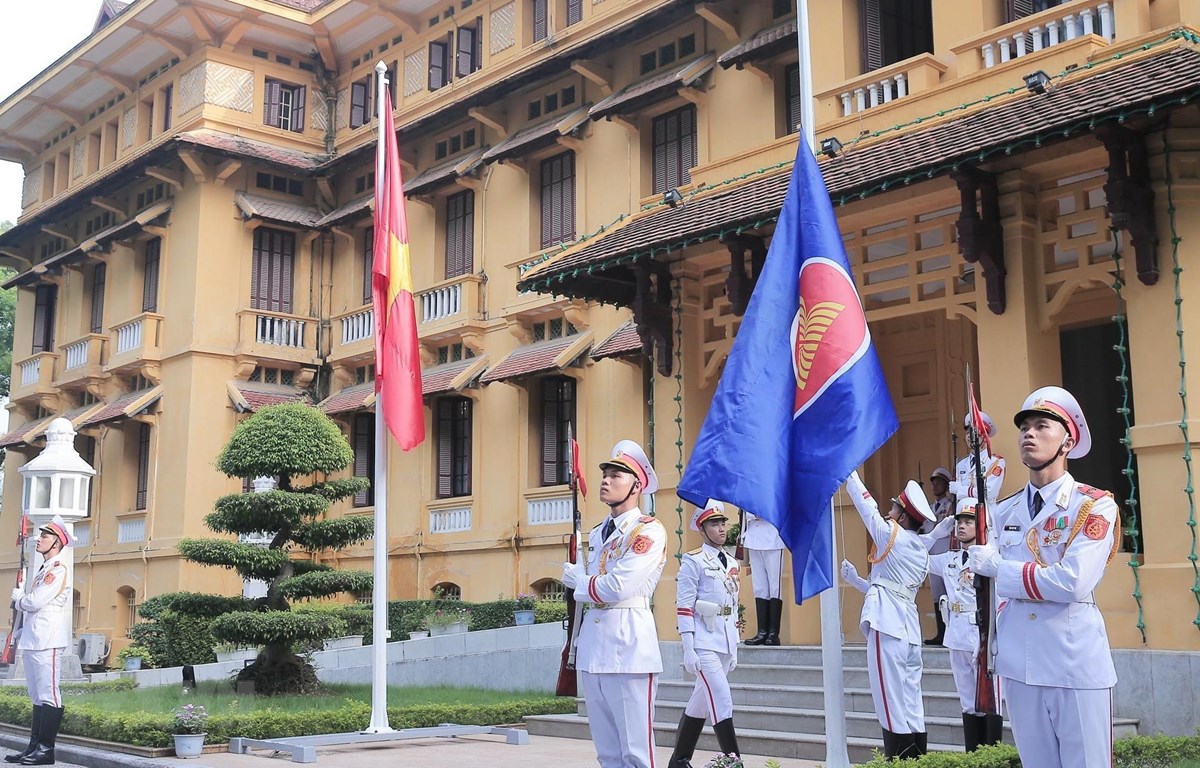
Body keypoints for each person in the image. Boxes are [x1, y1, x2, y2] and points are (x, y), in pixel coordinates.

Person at [967, 386, 1120, 768]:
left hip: (1073, 661)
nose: (1028, 434)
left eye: (1041, 426)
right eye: (1024, 428)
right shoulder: (1002, 512)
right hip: (1020, 663)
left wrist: (999, 569)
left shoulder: (1094, 505)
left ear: (1067, 441)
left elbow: (1073, 582)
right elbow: (989, 590)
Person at [562, 440, 667, 768]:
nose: (605, 480)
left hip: (629, 649)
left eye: (616, 475)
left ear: (636, 485)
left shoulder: (648, 532)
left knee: (636, 752)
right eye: (605, 474)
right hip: (594, 651)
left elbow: (618, 586)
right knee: (607, 753)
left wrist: (580, 583)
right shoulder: (597, 533)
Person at [840, 473, 950, 759]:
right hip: (908, 631)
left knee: (889, 701)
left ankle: (897, 761)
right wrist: (857, 581)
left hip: (887, 625)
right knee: (911, 701)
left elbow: (866, 507)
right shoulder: (918, 549)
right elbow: (890, 585)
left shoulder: (892, 535)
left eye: (894, 509)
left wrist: (849, 473)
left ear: (901, 518)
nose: (888, 513)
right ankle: (916, 760)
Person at [668, 499, 741, 768]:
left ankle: (678, 761)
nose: (721, 528)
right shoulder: (693, 560)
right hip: (703, 642)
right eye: (714, 523)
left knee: (700, 701)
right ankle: (736, 761)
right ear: (702, 528)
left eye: (723, 522)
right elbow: (684, 605)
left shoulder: (732, 562)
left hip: (724, 642)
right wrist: (688, 646)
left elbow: (733, 606)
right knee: (721, 698)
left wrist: (735, 646)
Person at [929, 497, 1002, 751]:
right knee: (968, 700)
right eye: (959, 521)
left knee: (990, 699)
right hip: (957, 632)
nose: (961, 526)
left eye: (968, 521)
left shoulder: (991, 557)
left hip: (983, 632)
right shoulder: (948, 559)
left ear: (980, 525)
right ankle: (973, 754)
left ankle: (992, 755)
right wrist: (932, 536)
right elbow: (915, 557)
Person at [7, 516, 73, 766]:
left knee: (49, 694)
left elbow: (34, 602)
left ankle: (46, 750)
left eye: (44, 536)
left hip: (48, 638)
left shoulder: (58, 569)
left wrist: (20, 599)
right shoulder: (44, 569)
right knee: (36, 695)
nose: (39, 539)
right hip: (33, 638)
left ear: (56, 543)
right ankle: (34, 747)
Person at [740, 511, 785, 646]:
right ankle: (762, 632)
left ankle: (773, 633)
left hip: (772, 535)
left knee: (774, 586)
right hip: (753, 535)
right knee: (759, 587)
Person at [924, 467, 954, 646]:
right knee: (937, 595)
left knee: (950, 592)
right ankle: (940, 633)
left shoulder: (950, 505)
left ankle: (950, 632)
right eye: (933, 482)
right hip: (932, 554)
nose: (934, 485)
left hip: (947, 552)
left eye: (938, 482)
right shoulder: (927, 508)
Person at [951, 412, 1006, 507]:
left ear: (985, 436)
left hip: (986, 515)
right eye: (967, 432)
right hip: (965, 515)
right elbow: (956, 496)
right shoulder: (961, 465)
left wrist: (961, 490)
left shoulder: (995, 462)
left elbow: (989, 493)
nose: (969, 436)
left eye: (973, 432)